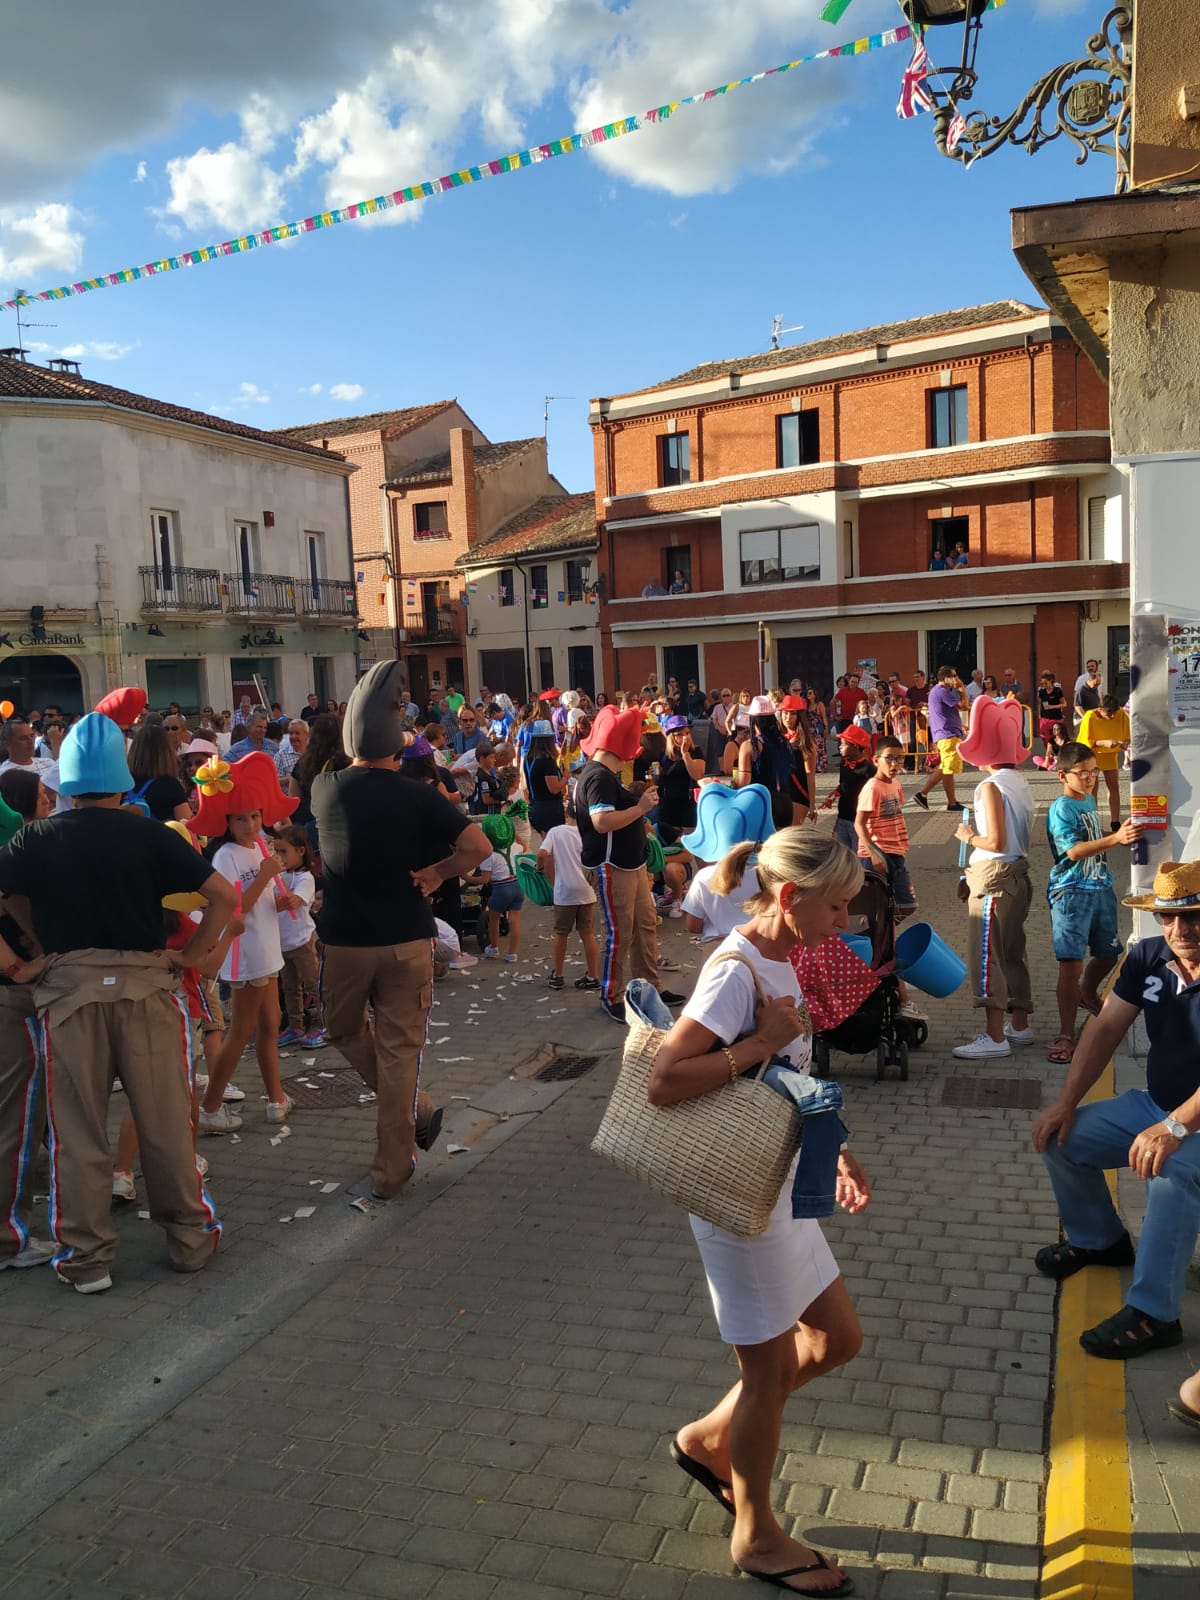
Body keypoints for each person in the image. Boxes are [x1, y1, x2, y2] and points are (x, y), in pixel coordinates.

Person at [649, 829, 869, 1597]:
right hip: (737, 1200)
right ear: (790, 898)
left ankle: (709, 1440)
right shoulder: (734, 972)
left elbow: (788, 1075)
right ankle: (755, 1535)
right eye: (837, 908)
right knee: (768, 1372)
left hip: (782, 1186)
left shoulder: (786, 955)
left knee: (836, 1339)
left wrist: (832, 1149)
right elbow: (666, 1080)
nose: (845, 923)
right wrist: (760, 1042)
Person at [0, 713, 235, 1291]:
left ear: (66, 783)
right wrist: (196, 957)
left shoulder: (35, 836)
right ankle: (188, 1239)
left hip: (67, 989)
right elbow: (223, 897)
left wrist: (18, 961)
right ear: (120, 778)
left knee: (77, 1131)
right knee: (165, 1124)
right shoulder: (150, 831)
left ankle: (86, 1259)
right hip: (148, 988)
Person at [311, 662, 490, 1206]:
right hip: (406, 941)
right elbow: (479, 849)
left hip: (342, 942)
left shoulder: (324, 789)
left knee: (344, 1032)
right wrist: (436, 872)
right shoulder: (417, 794)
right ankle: (394, 1163)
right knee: (398, 1057)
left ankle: (413, 1107)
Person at [1031, 857, 1200, 1361]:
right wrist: (1064, 1103)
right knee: (1062, 1138)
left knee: (1169, 1173)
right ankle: (1101, 1241)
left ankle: (1155, 1313)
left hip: (1186, 1122)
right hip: (1157, 1106)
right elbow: (1105, 1028)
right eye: (1168, 916)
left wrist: (1172, 1127)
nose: (1180, 928)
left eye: (1193, 915)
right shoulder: (1149, 956)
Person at [191, 753, 302, 1133]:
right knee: (241, 1031)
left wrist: (282, 897)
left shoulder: (257, 847)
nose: (251, 824)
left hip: (266, 947)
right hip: (245, 952)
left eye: (255, 815)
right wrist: (266, 876)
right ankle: (209, 1105)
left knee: (270, 1025)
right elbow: (235, 909)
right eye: (241, 818)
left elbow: (265, 895)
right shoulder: (225, 856)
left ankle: (276, 1098)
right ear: (226, 820)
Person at [575, 704, 683, 1024]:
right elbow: (602, 822)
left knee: (645, 925)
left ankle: (650, 985)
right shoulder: (598, 777)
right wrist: (642, 807)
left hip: (629, 865)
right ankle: (612, 995)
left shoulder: (603, 774)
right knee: (620, 932)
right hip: (612, 866)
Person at [1044, 742, 1139, 1064]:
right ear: (1063, 775)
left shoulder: (1086, 800)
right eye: (1083, 773)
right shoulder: (1060, 808)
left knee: (1109, 953)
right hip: (1070, 892)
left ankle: (1087, 993)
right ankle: (1066, 1033)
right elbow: (1071, 851)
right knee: (1070, 963)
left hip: (1100, 887)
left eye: (1094, 772)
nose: (1090, 778)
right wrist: (1115, 839)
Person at [952, 697, 1035, 1060]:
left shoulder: (989, 787)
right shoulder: (1020, 780)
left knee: (987, 954)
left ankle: (994, 1035)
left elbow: (995, 840)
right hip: (1018, 872)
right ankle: (1020, 1025)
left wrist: (967, 836)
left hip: (993, 874)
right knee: (1014, 950)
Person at [538, 797, 599, 991]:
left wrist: (539, 868)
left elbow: (542, 854)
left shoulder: (556, 832)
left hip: (564, 892)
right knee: (588, 934)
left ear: (566, 813)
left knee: (561, 934)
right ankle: (592, 975)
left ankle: (558, 974)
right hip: (587, 891)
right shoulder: (590, 833)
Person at [273, 825, 324, 1048]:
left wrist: (274, 877)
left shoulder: (305, 878)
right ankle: (295, 1026)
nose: (279, 857)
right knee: (290, 987)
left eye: (283, 851)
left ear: (301, 851)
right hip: (282, 942)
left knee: (315, 984)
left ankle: (326, 1024)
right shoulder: (279, 875)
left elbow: (293, 900)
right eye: (276, 851)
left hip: (303, 941)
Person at [914, 665, 967, 811]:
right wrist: (962, 689)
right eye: (954, 676)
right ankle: (923, 793)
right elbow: (963, 706)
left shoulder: (938, 691)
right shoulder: (942, 691)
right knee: (946, 768)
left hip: (946, 733)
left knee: (947, 769)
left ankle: (952, 802)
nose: (956, 679)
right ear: (946, 678)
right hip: (948, 734)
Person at [816, 725, 873, 852]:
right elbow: (844, 785)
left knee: (859, 858)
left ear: (856, 747)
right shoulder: (844, 765)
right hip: (843, 818)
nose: (840, 747)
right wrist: (833, 796)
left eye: (844, 744)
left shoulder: (870, 770)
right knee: (842, 856)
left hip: (859, 821)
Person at [1078, 693, 1130, 830]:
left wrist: (1124, 744)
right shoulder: (1090, 716)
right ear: (1100, 709)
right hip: (1092, 755)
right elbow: (1084, 741)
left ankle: (1115, 821)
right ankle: (1094, 822)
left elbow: (1127, 735)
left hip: (1110, 754)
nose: (1112, 717)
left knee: (1113, 785)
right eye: (1109, 714)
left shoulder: (1121, 714)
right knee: (1092, 788)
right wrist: (1104, 742)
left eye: (1114, 713)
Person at [126, 722, 191, 821]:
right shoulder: (170, 785)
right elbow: (186, 824)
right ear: (166, 752)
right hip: (159, 835)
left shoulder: (123, 784)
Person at [523, 720, 565, 837]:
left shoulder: (528, 758)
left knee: (545, 843)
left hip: (535, 805)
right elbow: (554, 788)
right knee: (552, 847)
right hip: (549, 809)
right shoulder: (546, 760)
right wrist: (565, 777)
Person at [1034, 671, 1068, 769]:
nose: (1044, 685)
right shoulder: (1041, 691)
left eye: (1046, 683)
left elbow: (1064, 704)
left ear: (1051, 681)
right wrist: (1040, 715)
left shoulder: (1057, 691)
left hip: (1056, 718)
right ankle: (1051, 757)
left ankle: (1057, 757)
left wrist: (1053, 706)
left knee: (1054, 738)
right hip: (1045, 719)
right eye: (1042, 684)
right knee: (1045, 738)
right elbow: (1040, 703)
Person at [274, 717, 310, 781]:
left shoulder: (314, 753)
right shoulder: (280, 756)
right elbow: (273, 780)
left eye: (297, 733)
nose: (293, 736)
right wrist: (288, 779)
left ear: (306, 735)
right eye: (291, 733)